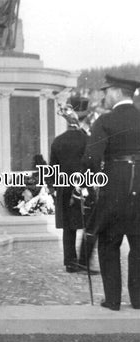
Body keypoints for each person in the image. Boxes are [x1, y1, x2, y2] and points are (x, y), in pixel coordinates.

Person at [83, 74, 140, 311]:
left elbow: (90, 159)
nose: (104, 96)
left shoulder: (105, 121)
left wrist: (94, 183)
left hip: (114, 187)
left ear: (117, 91)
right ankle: (139, 300)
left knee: (108, 243)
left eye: (106, 91)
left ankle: (113, 300)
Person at [49, 97, 99, 274]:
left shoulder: (58, 141)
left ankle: (70, 263)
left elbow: (52, 169)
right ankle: (84, 262)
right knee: (91, 225)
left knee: (69, 229)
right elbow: (93, 166)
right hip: (84, 188)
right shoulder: (88, 140)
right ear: (82, 118)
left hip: (64, 189)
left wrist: (53, 189)